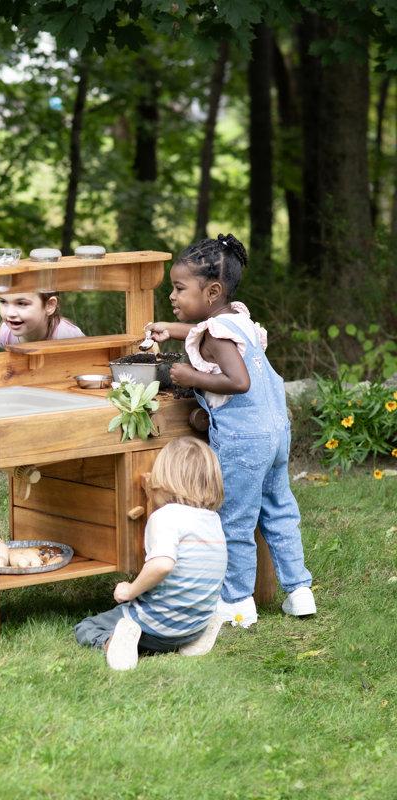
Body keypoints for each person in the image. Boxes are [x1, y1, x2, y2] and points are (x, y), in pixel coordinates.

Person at [146, 233, 315, 628]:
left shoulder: (215, 335)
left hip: (244, 442)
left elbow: (238, 381)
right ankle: (300, 591)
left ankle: (238, 601)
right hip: (276, 431)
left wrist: (190, 375)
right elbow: (206, 328)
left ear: (212, 291)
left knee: (235, 520)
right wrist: (169, 329)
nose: (172, 295)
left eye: (179, 288)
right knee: (279, 510)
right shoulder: (236, 319)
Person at [75, 437, 227, 670]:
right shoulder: (212, 520)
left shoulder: (166, 517)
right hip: (194, 622)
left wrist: (130, 590)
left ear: (164, 480)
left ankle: (115, 643)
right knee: (182, 620)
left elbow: (162, 565)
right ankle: (196, 637)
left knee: (87, 627)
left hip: (158, 626)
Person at [0, 291, 84, 348]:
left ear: (49, 305)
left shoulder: (70, 337)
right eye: (3, 301)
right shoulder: (5, 333)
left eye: (21, 303)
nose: (9, 313)